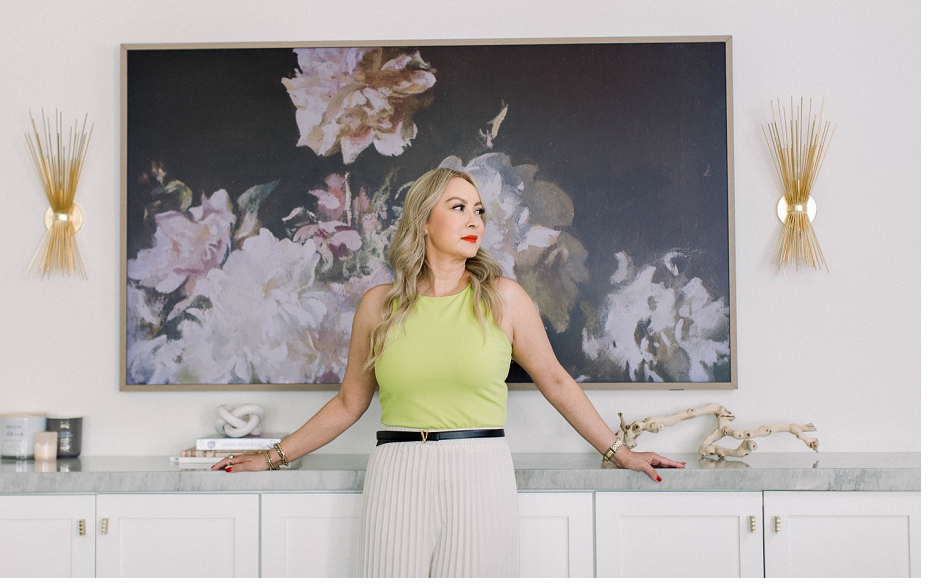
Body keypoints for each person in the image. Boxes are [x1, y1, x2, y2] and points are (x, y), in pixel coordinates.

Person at [214, 168, 684, 577]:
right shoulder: (378, 305)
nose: (474, 220)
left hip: (480, 472)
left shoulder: (504, 297)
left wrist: (621, 453)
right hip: (396, 473)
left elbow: (557, 382)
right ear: (423, 220)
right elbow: (348, 404)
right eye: (458, 207)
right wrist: (272, 456)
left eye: (479, 210)